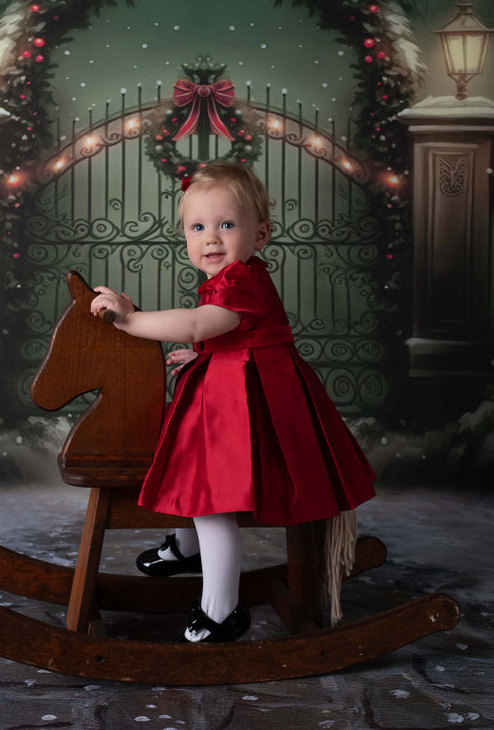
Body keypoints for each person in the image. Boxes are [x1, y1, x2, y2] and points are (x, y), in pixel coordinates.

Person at [90, 162, 376, 643]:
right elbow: (224, 332)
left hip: (257, 401)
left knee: (212, 495)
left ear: (260, 234)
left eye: (227, 225)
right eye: (198, 227)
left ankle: (222, 610)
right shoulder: (231, 279)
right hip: (234, 389)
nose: (212, 239)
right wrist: (201, 353)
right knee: (189, 464)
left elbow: (202, 322)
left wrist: (131, 321)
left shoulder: (241, 279)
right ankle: (187, 547)